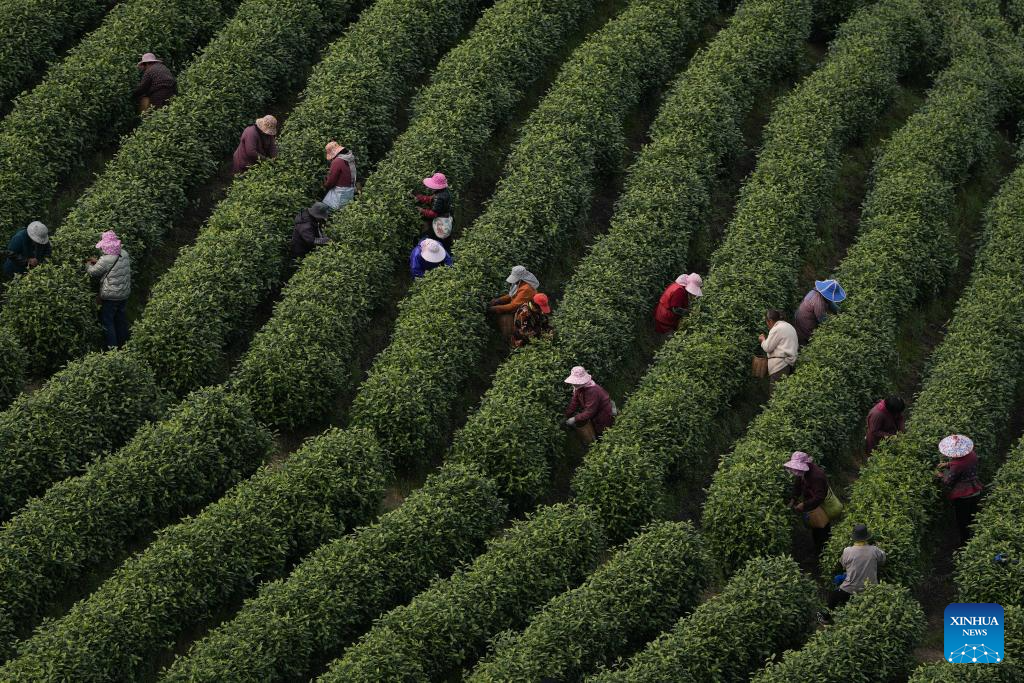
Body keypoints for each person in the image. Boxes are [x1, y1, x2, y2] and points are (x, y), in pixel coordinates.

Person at [818, 524, 887, 625]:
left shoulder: (847, 551)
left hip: (850, 589)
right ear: (867, 537)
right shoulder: (875, 550)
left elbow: (844, 565)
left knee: (834, 596)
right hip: (871, 589)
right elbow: (882, 560)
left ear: (854, 537)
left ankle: (825, 618)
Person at [87, 231, 131, 349]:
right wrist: (99, 263)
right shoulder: (124, 253)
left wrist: (88, 264)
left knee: (108, 321)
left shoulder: (105, 259)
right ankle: (124, 345)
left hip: (111, 296)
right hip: (124, 293)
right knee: (120, 319)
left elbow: (93, 272)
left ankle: (112, 349)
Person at [935, 434, 982, 545]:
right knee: (973, 518)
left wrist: (940, 475)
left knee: (963, 522)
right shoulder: (972, 454)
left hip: (963, 496)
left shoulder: (957, 465)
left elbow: (948, 481)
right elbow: (964, 463)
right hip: (975, 490)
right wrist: (948, 464)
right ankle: (976, 540)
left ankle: (965, 544)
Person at [785, 451, 833, 558]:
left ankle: (824, 554)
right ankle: (819, 550)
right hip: (812, 507)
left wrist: (804, 505)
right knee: (816, 528)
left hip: (820, 506)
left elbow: (820, 497)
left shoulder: (816, 476)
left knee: (822, 530)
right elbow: (797, 486)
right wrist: (793, 499)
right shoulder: (803, 472)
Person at [564, 365, 615, 440]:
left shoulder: (592, 391)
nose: (574, 384)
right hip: (595, 414)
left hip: (603, 414)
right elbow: (574, 402)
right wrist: (567, 414)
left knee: (604, 433)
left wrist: (575, 419)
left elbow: (590, 411)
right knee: (597, 432)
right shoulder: (579, 388)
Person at [794, 279, 846, 345]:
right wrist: (835, 326)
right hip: (805, 322)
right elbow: (823, 319)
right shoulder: (818, 302)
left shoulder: (820, 292)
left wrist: (840, 312)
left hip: (803, 316)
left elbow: (831, 303)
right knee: (807, 340)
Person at [759, 309, 798, 389]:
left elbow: (767, 347)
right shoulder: (789, 326)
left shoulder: (776, 329)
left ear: (770, 321)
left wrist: (763, 340)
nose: (767, 325)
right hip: (789, 363)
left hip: (780, 366)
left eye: (766, 322)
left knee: (775, 392)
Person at [414, 172, 453, 244]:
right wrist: (420, 198)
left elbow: (433, 214)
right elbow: (431, 199)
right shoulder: (445, 191)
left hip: (440, 221)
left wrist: (421, 210)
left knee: (432, 237)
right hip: (446, 216)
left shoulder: (439, 197)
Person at [322, 141, 357, 210]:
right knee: (344, 210)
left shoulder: (337, 161)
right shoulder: (349, 157)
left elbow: (331, 181)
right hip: (350, 189)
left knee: (327, 208)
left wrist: (325, 185)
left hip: (340, 192)